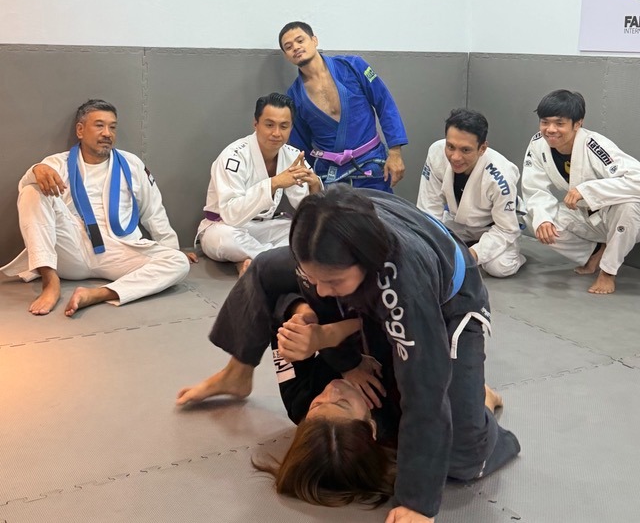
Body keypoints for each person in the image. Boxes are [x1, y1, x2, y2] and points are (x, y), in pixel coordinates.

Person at [177, 186, 520, 522]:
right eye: (313, 277)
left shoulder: (403, 285)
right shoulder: (313, 242)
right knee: (268, 269)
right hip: (366, 256)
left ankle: (478, 400)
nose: (322, 290)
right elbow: (288, 280)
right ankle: (237, 374)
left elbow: (425, 388)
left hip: (451, 297)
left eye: (334, 281)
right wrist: (332, 346)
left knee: (462, 458)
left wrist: (416, 502)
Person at [0, 99, 193, 316]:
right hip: (72, 249)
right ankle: (50, 282)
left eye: (112, 127)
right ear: (80, 130)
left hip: (117, 249)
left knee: (178, 262)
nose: (107, 133)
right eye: (99, 125)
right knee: (31, 191)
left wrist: (171, 247)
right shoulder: (58, 163)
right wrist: (37, 169)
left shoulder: (132, 164)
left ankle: (97, 294)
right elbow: (26, 188)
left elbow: (153, 209)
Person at [522, 89, 640, 295]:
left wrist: (587, 190)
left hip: (620, 220)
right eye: (544, 122)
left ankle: (608, 272)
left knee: (629, 207)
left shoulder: (594, 145)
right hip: (587, 217)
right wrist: (543, 219)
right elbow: (535, 188)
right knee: (535, 218)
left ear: (577, 124)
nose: (550, 130)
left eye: (559, 123)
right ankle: (594, 253)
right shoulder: (538, 144)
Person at [195, 93, 321, 274]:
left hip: (264, 228)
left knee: (310, 233)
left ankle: (250, 262)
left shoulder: (293, 156)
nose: (276, 133)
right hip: (225, 227)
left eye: (284, 126)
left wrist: (315, 187)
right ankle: (277, 260)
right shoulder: (234, 156)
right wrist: (274, 183)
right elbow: (231, 215)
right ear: (256, 124)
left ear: (291, 127)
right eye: (269, 125)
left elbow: (307, 212)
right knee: (225, 239)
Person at [278, 21, 407, 192]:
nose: (296, 47)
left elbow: (384, 103)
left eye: (300, 40)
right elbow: (301, 146)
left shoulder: (353, 66)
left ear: (314, 40)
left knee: (378, 210)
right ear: (286, 55)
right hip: (331, 176)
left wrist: (395, 152)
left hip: (371, 165)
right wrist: (310, 183)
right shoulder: (294, 97)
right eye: (288, 47)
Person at [417, 108, 526, 278]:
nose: (455, 157)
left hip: (494, 227)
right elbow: (429, 208)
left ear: (482, 148)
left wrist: (472, 255)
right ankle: (465, 244)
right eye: (450, 146)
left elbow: (506, 228)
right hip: (457, 222)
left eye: (465, 150)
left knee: (499, 267)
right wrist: (430, 245)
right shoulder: (436, 152)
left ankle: (513, 253)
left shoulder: (501, 176)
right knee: (421, 245)